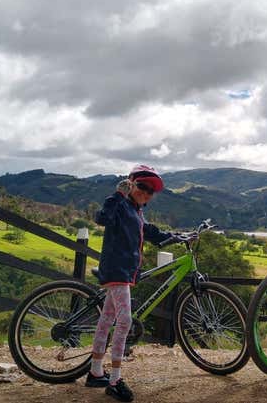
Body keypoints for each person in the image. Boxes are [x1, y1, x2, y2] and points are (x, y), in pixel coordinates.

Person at [87, 164, 172, 402]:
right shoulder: (120, 204)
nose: (146, 193)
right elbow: (102, 218)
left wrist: (177, 236)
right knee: (124, 321)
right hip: (117, 270)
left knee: (106, 320)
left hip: (124, 271)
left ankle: (95, 371)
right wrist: (118, 194)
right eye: (143, 187)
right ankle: (114, 380)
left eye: (150, 191)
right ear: (132, 183)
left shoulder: (136, 211)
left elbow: (151, 232)